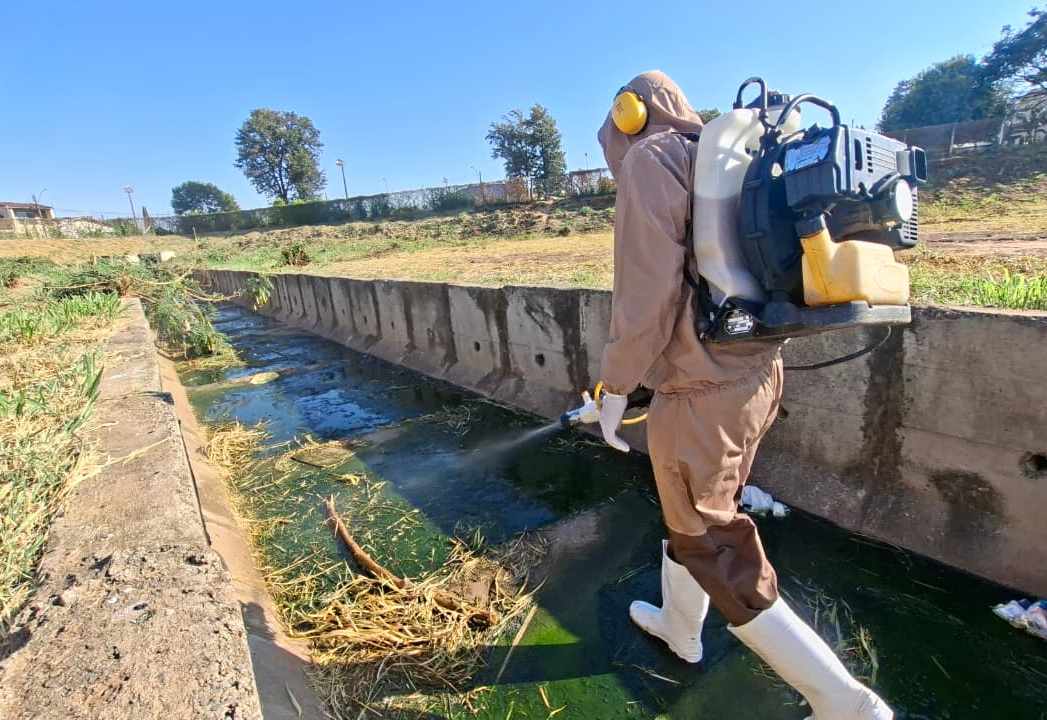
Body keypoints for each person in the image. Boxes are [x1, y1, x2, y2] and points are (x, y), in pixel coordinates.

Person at [596, 70, 893, 720]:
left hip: (698, 393)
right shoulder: (725, 157)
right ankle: (682, 630)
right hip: (753, 374)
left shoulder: (651, 158)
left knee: (714, 544)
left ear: (627, 115)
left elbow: (646, 291)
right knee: (693, 518)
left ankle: (845, 703)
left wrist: (614, 386)